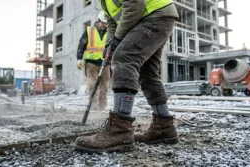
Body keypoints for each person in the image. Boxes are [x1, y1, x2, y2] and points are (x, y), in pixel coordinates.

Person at [75, 0, 179, 153]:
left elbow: (135, 4)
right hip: (156, 16)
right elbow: (112, 21)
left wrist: (118, 39)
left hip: (155, 14)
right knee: (148, 72)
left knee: (124, 57)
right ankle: (163, 126)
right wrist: (110, 44)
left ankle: (119, 130)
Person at [76, 11, 110, 112]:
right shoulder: (89, 30)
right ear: (98, 21)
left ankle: (102, 109)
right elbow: (81, 45)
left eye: (106, 23)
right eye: (103, 23)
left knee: (105, 88)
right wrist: (79, 59)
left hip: (105, 63)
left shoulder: (110, 32)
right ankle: (94, 109)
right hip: (91, 63)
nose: (105, 25)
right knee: (92, 86)